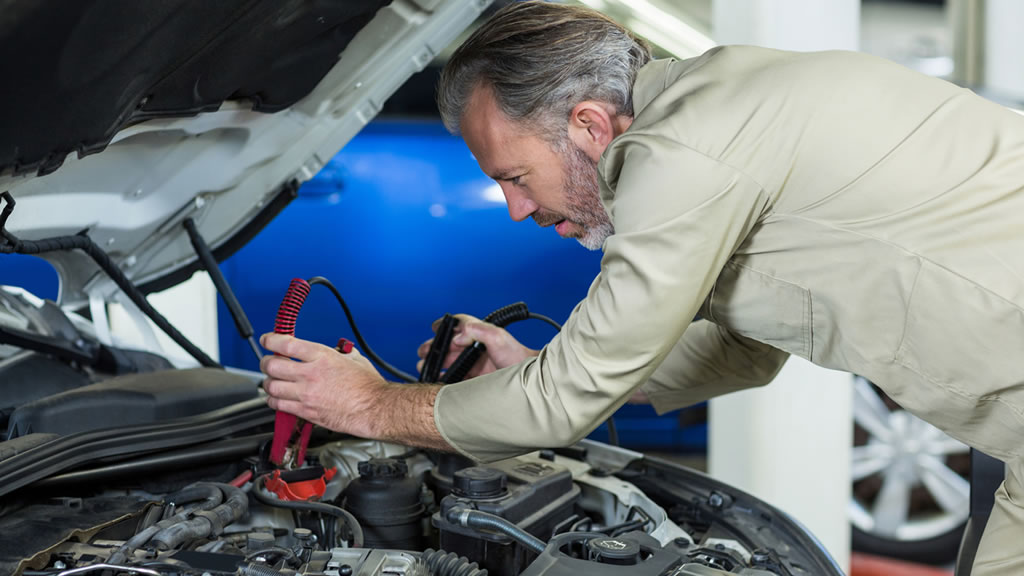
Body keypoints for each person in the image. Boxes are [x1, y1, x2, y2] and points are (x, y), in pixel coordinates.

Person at [260, 2, 1024, 572]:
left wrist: (366, 405)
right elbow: (742, 349)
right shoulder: (720, 107)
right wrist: (532, 365)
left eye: (515, 178)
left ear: (589, 125)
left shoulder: (685, 149)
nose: (520, 212)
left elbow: (569, 400)